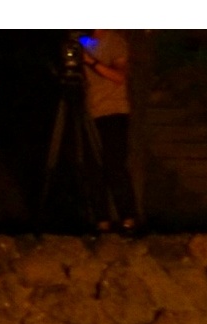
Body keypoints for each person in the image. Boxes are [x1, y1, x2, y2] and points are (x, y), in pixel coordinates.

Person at [82, 29, 139, 233]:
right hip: (89, 114)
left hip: (113, 112)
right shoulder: (82, 41)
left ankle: (128, 217)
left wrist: (91, 62)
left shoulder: (115, 42)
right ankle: (101, 220)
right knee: (93, 169)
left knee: (115, 166)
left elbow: (118, 76)